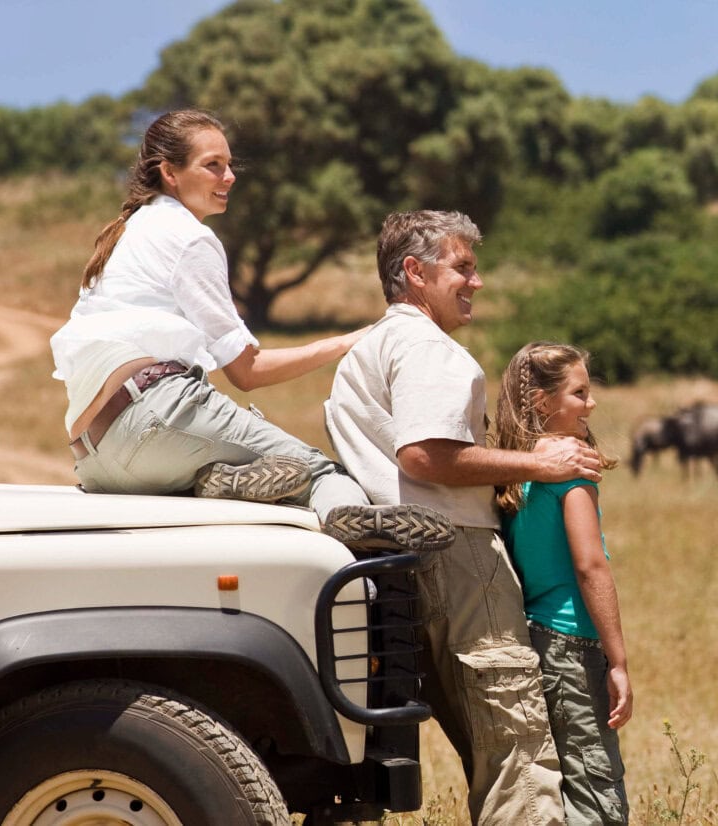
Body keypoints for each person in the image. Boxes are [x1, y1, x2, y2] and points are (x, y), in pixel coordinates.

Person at [50, 109, 439, 549]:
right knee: (321, 475)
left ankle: (214, 480)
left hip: (94, 456)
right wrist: (348, 341)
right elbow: (248, 372)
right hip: (154, 417)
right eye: (213, 165)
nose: (230, 176)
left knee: (257, 475)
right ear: (170, 173)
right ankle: (365, 536)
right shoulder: (189, 237)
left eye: (230, 164)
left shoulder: (124, 234)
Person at [325, 210, 603, 824]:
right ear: (415, 272)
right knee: (515, 743)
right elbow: (425, 455)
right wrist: (541, 464)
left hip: (393, 560)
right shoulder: (431, 349)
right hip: (460, 554)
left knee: (483, 739)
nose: (476, 282)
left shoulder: (364, 352)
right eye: (463, 268)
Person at [495, 342, 632, 826]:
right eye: (579, 393)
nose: (591, 403)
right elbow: (591, 566)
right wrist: (618, 662)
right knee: (595, 790)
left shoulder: (516, 469)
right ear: (542, 401)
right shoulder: (572, 473)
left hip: (532, 636)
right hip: (573, 642)